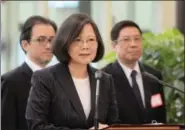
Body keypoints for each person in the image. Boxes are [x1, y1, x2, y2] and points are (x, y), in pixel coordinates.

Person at [25, 13, 118, 130]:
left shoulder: (104, 79)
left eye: (91, 39)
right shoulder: (45, 78)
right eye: (77, 40)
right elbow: (36, 126)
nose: (85, 46)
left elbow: (114, 124)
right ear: (65, 42)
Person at [102, 20, 166, 124]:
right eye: (126, 40)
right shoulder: (104, 77)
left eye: (137, 39)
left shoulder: (153, 75)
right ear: (114, 46)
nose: (133, 44)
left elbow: (160, 115)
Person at [1, 15, 57, 130]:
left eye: (52, 40)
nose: (48, 46)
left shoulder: (58, 78)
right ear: (25, 45)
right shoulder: (11, 81)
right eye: (41, 40)